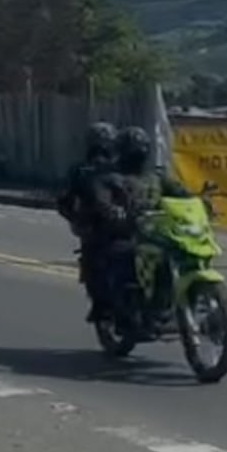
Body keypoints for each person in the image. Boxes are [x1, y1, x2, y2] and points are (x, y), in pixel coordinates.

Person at [95, 126, 192, 307]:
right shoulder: (111, 177)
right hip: (129, 233)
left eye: (141, 148)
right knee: (123, 256)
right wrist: (114, 211)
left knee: (185, 250)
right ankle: (130, 305)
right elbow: (103, 202)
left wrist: (199, 201)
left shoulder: (156, 176)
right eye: (133, 149)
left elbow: (183, 193)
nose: (138, 153)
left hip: (160, 232)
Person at [56, 122, 118, 322]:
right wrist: (78, 221)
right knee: (93, 262)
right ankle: (101, 306)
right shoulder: (83, 170)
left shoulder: (118, 168)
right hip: (97, 226)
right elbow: (64, 199)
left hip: (116, 223)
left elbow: (63, 201)